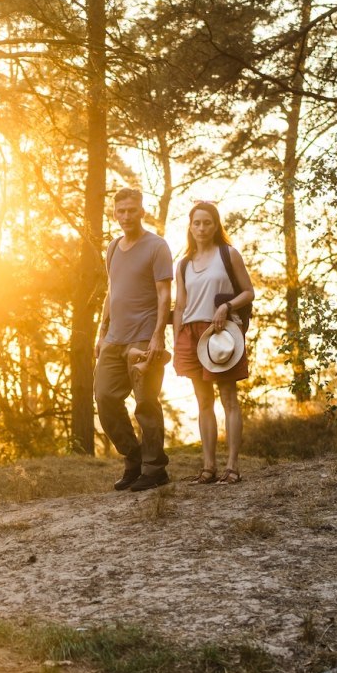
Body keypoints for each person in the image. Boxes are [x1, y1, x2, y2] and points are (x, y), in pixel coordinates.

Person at [95, 186, 173, 491]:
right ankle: (134, 457)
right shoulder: (113, 248)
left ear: (142, 210)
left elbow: (164, 293)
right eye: (120, 211)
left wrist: (158, 336)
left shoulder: (157, 246)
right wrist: (101, 333)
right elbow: (111, 292)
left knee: (145, 404)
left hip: (143, 339)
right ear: (114, 214)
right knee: (105, 398)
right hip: (114, 338)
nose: (126, 216)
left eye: (131, 210)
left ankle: (155, 470)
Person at [172, 200, 255, 484]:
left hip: (219, 332)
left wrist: (226, 306)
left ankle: (232, 466)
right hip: (189, 333)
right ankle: (208, 467)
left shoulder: (228, 254)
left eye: (207, 222)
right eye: (197, 222)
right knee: (203, 401)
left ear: (215, 225)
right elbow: (180, 305)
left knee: (229, 399)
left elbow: (249, 292)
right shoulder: (182, 264)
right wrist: (175, 342)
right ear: (190, 226)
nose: (202, 227)